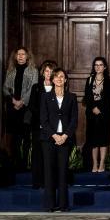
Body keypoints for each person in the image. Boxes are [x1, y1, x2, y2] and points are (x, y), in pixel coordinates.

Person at [39, 68, 78, 212]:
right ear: (52, 80)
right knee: (49, 172)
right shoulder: (45, 97)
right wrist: (54, 136)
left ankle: (63, 204)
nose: (59, 79)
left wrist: (65, 136)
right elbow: (43, 119)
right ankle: (49, 204)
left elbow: (74, 120)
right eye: (56, 76)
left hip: (65, 139)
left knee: (63, 172)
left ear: (65, 79)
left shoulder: (71, 97)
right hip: (49, 139)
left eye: (62, 76)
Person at [3, 47, 37, 171]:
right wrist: (13, 100)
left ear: (27, 56)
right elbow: (5, 88)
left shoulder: (33, 71)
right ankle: (15, 163)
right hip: (13, 108)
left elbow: (33, 88)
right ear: (15, 57)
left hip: (26, 108)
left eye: (23, 54)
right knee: (14, 137)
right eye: (18, 54)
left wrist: (22, 102)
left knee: (26, 136)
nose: (21, 56)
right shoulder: (11, 70)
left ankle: (24, 164)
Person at [27, 61, 56, 189]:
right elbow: (32, 106)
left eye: (51, 71)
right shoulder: (36, 87)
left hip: (53, 127)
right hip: (38, 126)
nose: (49, 74)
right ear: (42, 72)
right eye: (46, 71)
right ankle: (37, 182)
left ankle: (50, 182)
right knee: (37, 154)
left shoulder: (57, 86)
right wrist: (42, 120)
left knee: (51, 154)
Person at [84, 56, 110, 173]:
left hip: (104, 113)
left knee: (103, 139)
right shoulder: (89, 79)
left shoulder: (109, 80)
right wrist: (93, 107)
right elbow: (87, 96)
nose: (98, 67)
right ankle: (95, 164)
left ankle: (102, 163)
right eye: (96, 65)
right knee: (93, 140)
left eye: (100, 65)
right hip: (92, 113)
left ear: (104, 67)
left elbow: (108, 97)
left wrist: (99, 108)